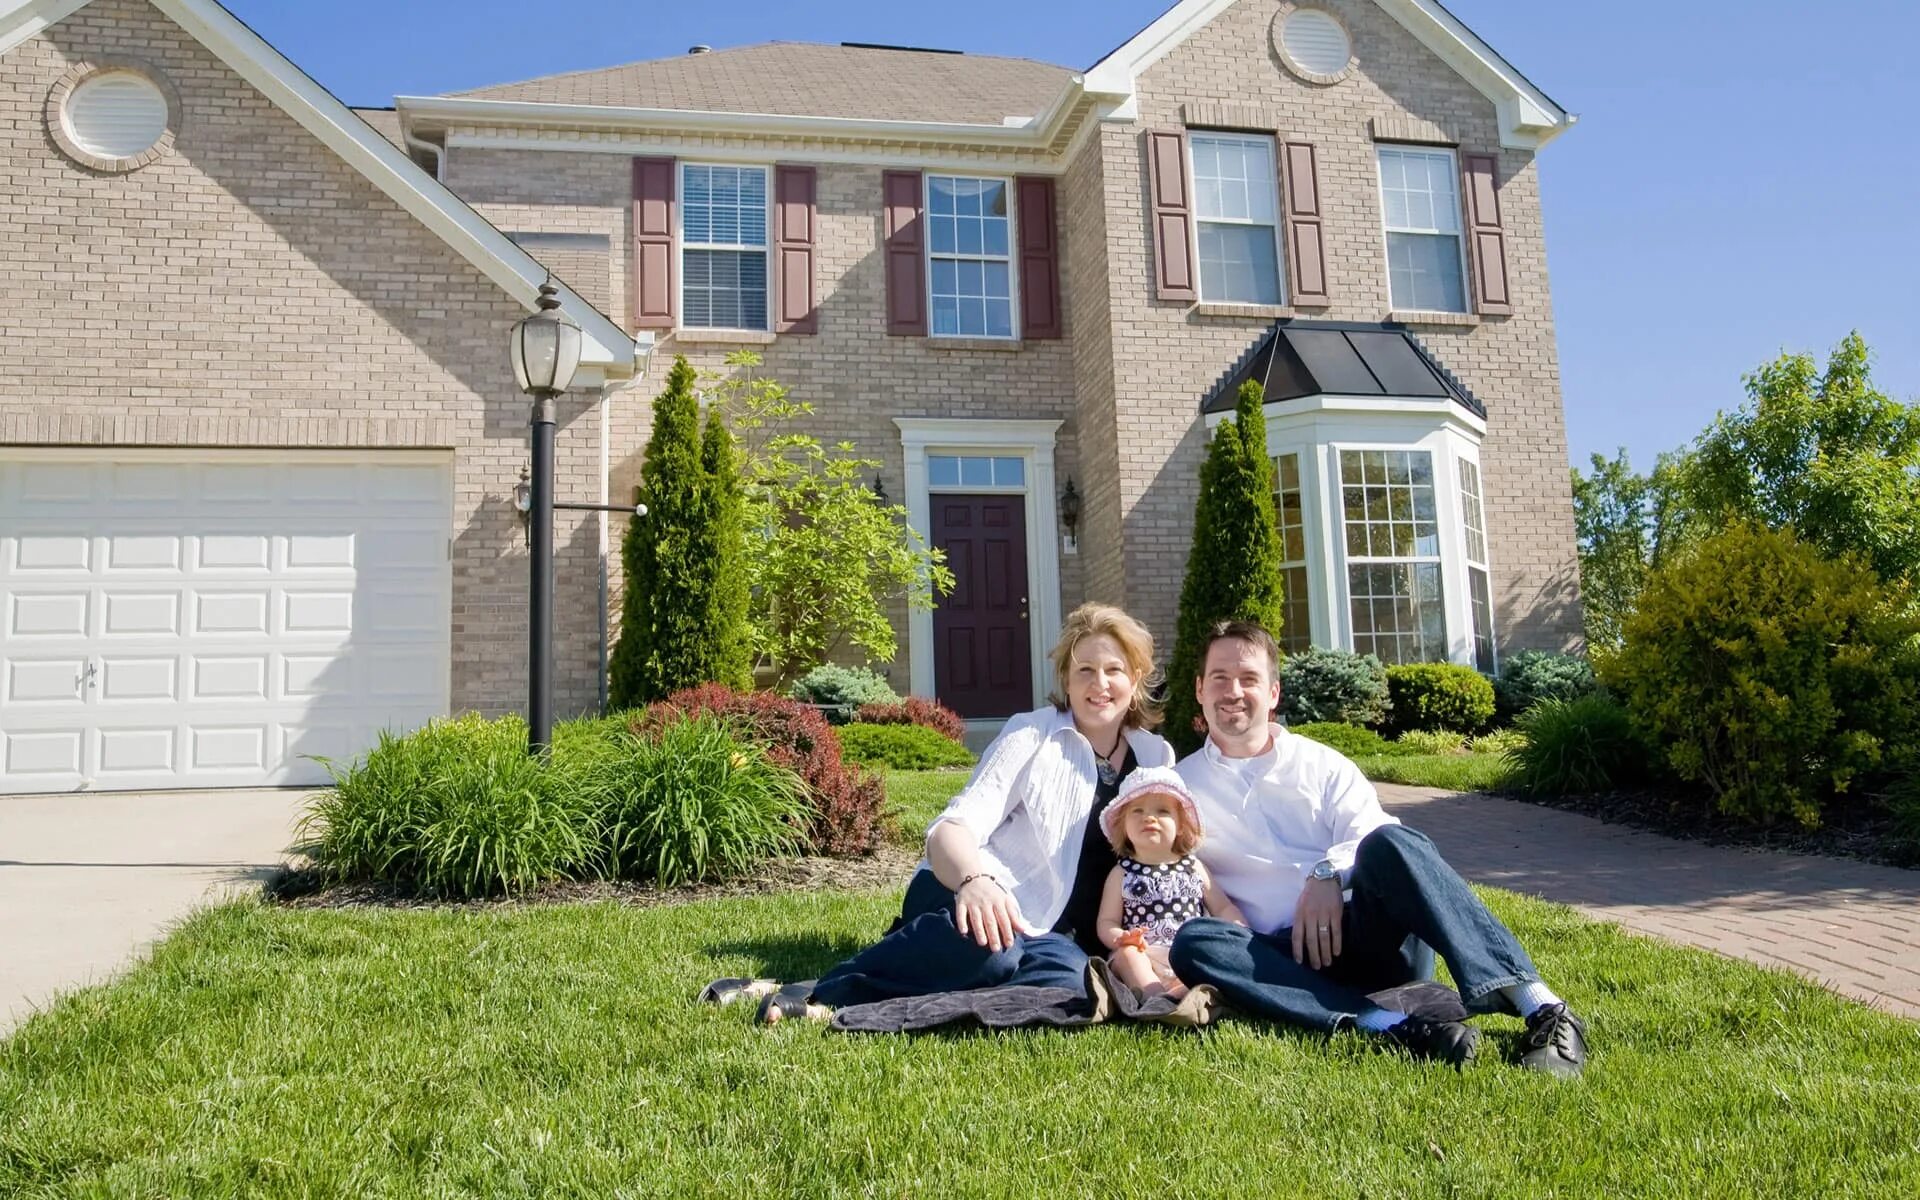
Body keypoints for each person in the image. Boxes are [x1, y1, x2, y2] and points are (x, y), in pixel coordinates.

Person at [700, 603, 1175, 1024]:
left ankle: (911, 972)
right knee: (993, 954)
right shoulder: (1032, 735)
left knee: (1071, 983)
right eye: (1084, 670)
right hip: (970, 892)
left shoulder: (1155, 757)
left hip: (1054, 935)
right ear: (1066, 682)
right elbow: (952, 828)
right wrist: (975, 881)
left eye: (1113, 670)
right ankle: (822, 990)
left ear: (1134, 680)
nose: (1099, 684)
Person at [1168, 620, 1590, 1076]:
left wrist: (1328, 873)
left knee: (1392, 843)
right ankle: (1392, 1027)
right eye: (1220, 678)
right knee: (1194, 942)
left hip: (1366, 939)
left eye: (1249, 678)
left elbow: (1372, 830)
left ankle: (1543, 1009)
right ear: (1199, 689)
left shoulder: (1322, 765)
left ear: (1273, 693)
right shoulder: (1178, 789)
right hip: (1275, 961)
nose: (1233, 690)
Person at [1094, 766, 1246, 1001]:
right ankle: (1156, 997)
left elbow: (1222, 907)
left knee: (1210, 953)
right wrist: (1120, 937)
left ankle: (1185, 993)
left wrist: (1239, 928)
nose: (1149, 817)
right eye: (1137, 811)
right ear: (1123, 826)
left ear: (1181, 826)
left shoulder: (1193, 866)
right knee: (1127, 956)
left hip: (1187, 953)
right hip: (1144, 953)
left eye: (1163, 811)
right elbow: (1107, 920)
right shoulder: (1122, 873)